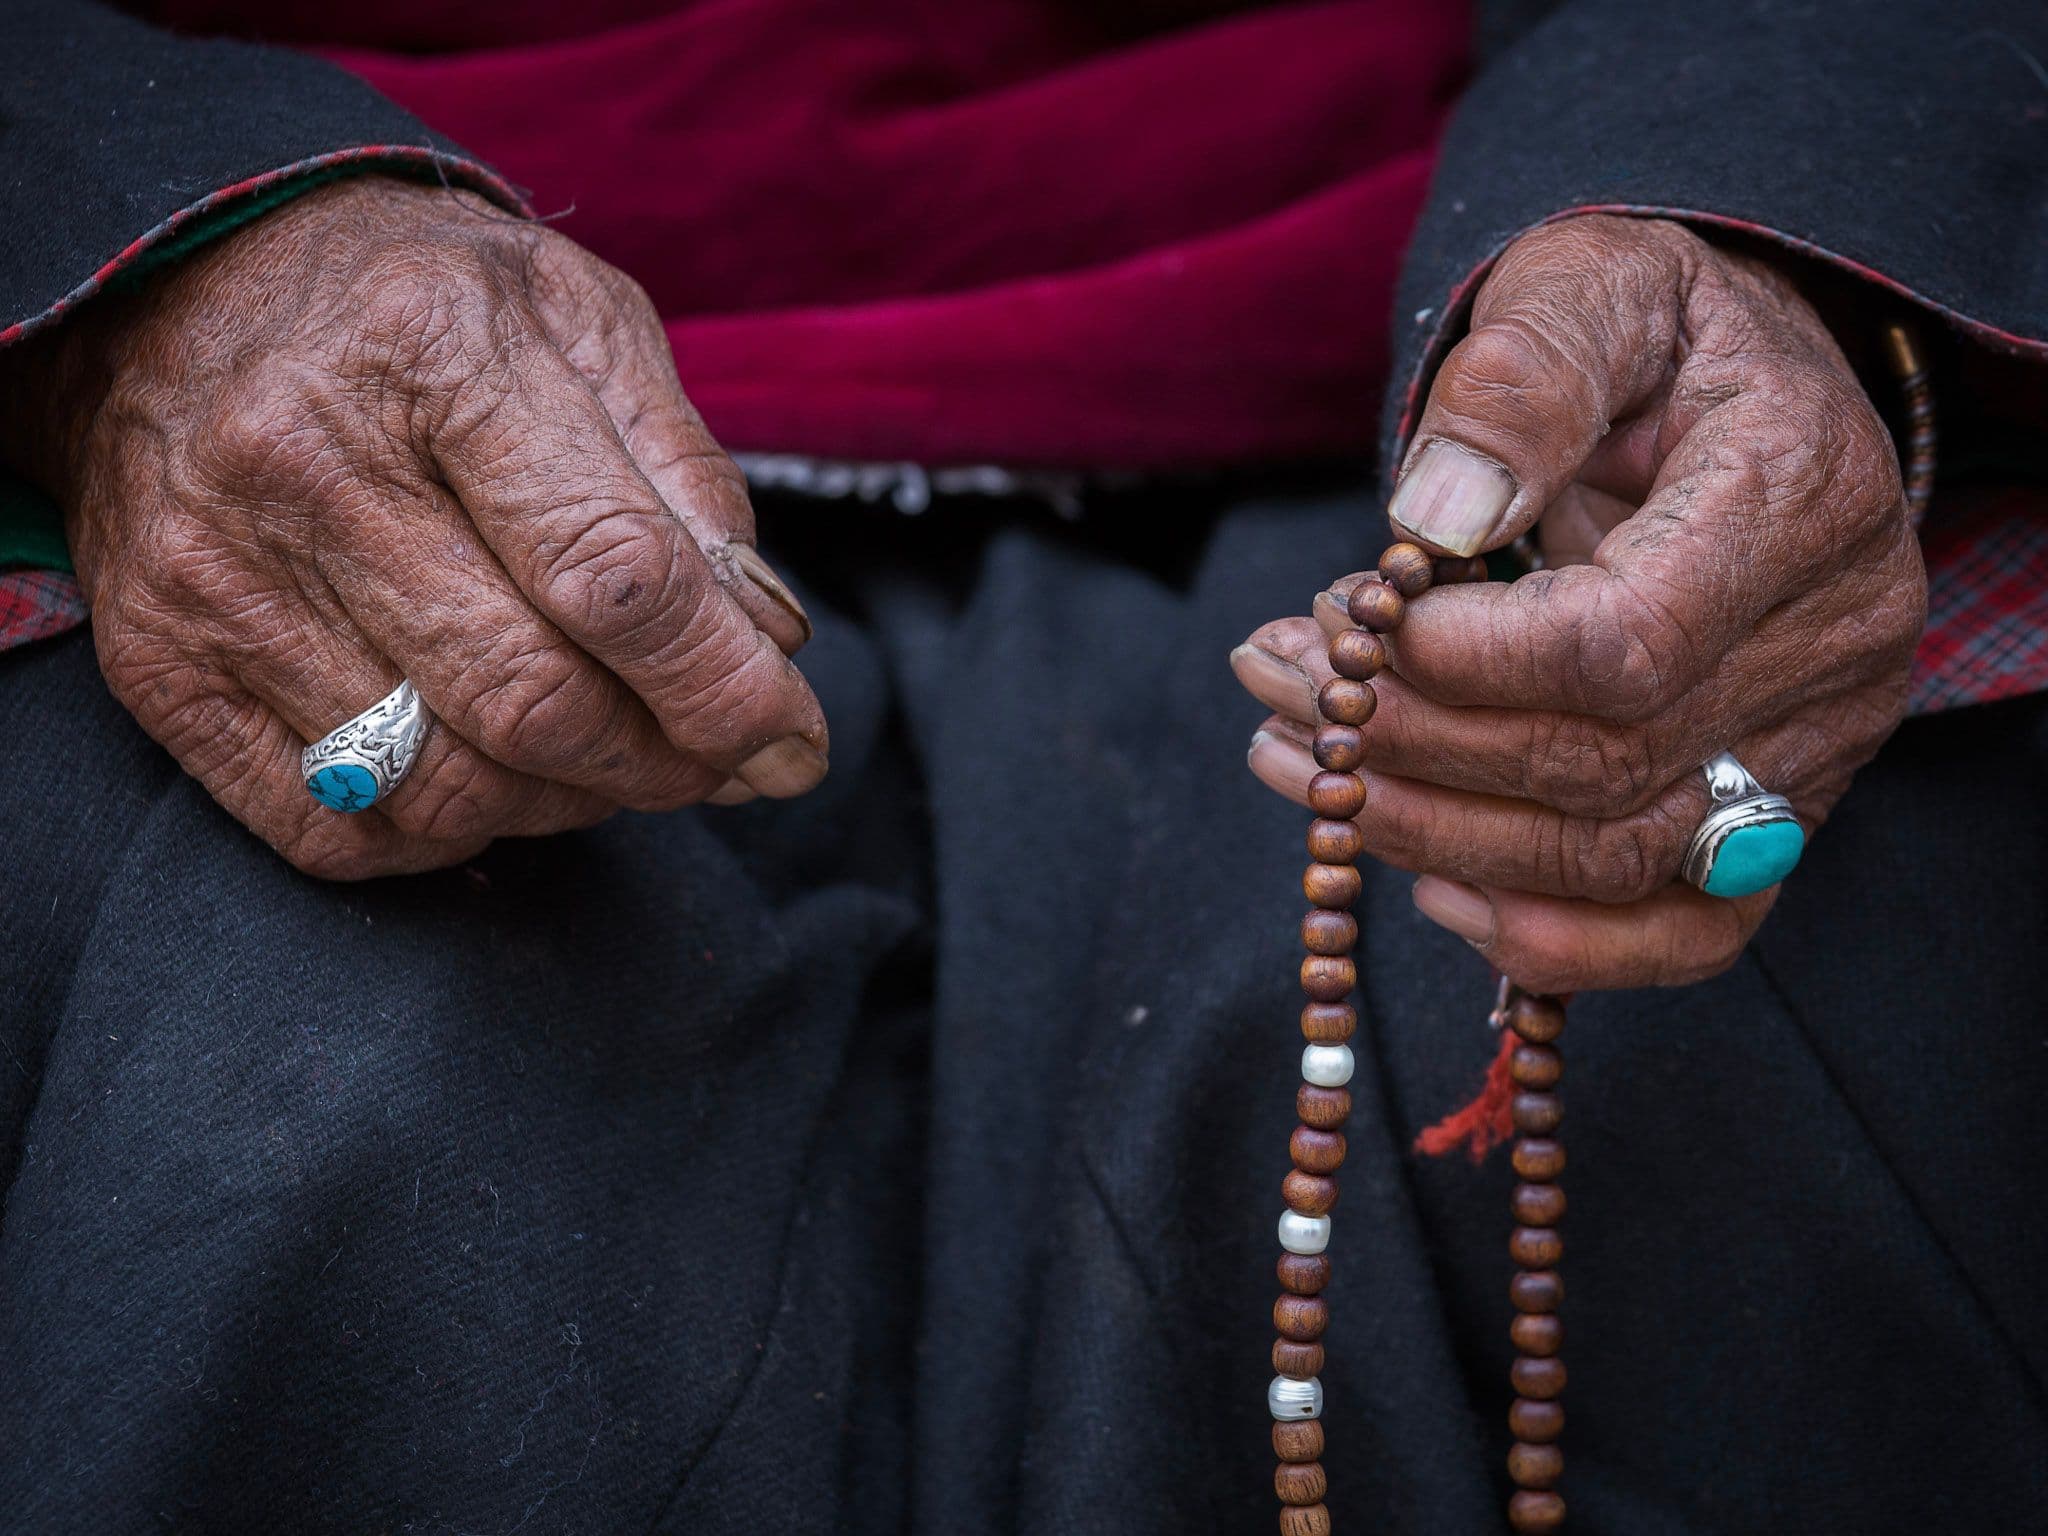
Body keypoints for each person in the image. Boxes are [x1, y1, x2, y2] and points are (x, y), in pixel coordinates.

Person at [1, 1, 2043, 1531]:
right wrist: (126, 266)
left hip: (1463, 358)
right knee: (273, 1090)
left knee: (1726, 986)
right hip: (243, 384)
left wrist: (1769, 237)